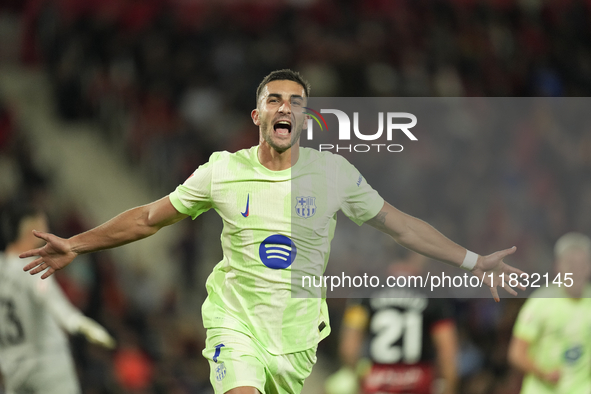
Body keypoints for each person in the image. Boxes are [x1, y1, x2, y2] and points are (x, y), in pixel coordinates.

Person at [20, 69, 524, 394]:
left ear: (305, 118)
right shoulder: (221, 171)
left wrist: (473, 261)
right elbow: (149, 218)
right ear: (258, 115)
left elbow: (403, 227)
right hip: (234, 323)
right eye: (276, 99)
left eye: (297, 102)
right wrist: (78, 244)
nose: (286, 107)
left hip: (297, 337)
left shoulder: (334, 174)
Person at [0, 202, 116, 394]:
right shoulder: (32, 267)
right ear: (31, 229)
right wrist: (77, 322)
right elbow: (52, 300)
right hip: (47, 365)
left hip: (13, 369)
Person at [325, 253, 458, 394]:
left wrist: (357, 378)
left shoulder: (365, 291)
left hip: (376, 382)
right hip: (420, 382)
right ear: (418, 256)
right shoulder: (435, 294)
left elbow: (349, 348)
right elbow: (447, 353)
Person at [508, 232, 591, 394]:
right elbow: (516, 353)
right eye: (570, 265)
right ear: (558, 267)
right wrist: (543, 373)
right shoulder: (540, 302)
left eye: (581, 265)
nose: (576, 271)